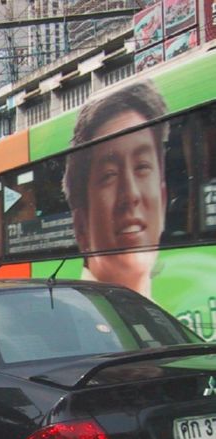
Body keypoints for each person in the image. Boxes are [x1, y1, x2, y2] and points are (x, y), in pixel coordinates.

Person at [62, 80, 168, 299]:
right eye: (109, 175)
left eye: (142, 167)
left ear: (163, 199)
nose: (130, 195)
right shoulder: (77, 323)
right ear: (81, 224)